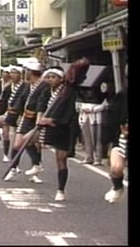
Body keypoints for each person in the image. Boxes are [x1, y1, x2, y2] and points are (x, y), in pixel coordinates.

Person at [37, 59, 89, 202]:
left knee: (61, 158)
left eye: (54, 77)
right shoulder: (46, 91)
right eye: (48, 77)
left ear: (61, 78)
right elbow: (41, 105)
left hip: (64, 127)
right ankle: (36, 165)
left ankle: (61, 189)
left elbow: (70, 112)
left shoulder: (68, 92)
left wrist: (52, 120)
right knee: (34, 142)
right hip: (48, 126)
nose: (50, 79)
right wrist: (41, 118)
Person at [104, 64, 128, 203]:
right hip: (122, 138)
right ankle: (117, 187)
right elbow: (112, 119)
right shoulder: (122, 96)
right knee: (116, 168)